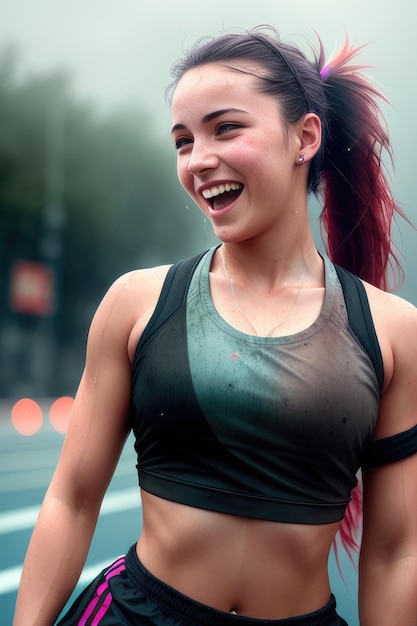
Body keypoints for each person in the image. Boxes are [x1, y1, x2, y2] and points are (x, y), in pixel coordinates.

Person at [13, 25, 417, 626]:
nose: (199, 160)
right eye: (182, 140)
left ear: (304, 136)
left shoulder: (392, 331)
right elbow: (71, 500)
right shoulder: (137, 302)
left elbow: (393, 552)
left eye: (226, 128)